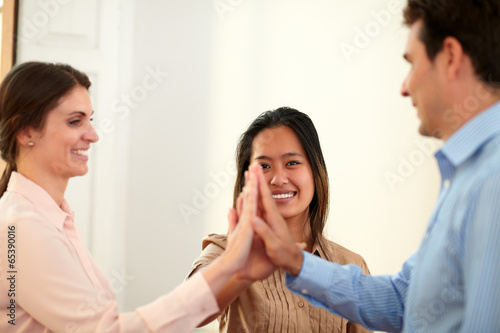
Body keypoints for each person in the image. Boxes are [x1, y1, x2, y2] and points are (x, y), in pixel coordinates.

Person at [249, 1, 500, 332]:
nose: (404, 86)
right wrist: (296, 261)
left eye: (412, 63)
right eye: (264, 165)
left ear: (450, 57)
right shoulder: (465, 175)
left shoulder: (491, 179)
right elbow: (405, 300)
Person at [0, 61, 264, 333]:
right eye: (75, 121)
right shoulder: (21, 228)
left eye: (90, 120)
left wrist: (234, 270)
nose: (93, 135)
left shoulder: (49, 219)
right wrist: (229, 264)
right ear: (26, 131)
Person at [188, 107, 371, 332]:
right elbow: (189, 311)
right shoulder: (225, 251)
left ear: (315, 171)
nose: (278, 179)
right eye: (263, 166)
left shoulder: (350, 265)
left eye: (292, 163)